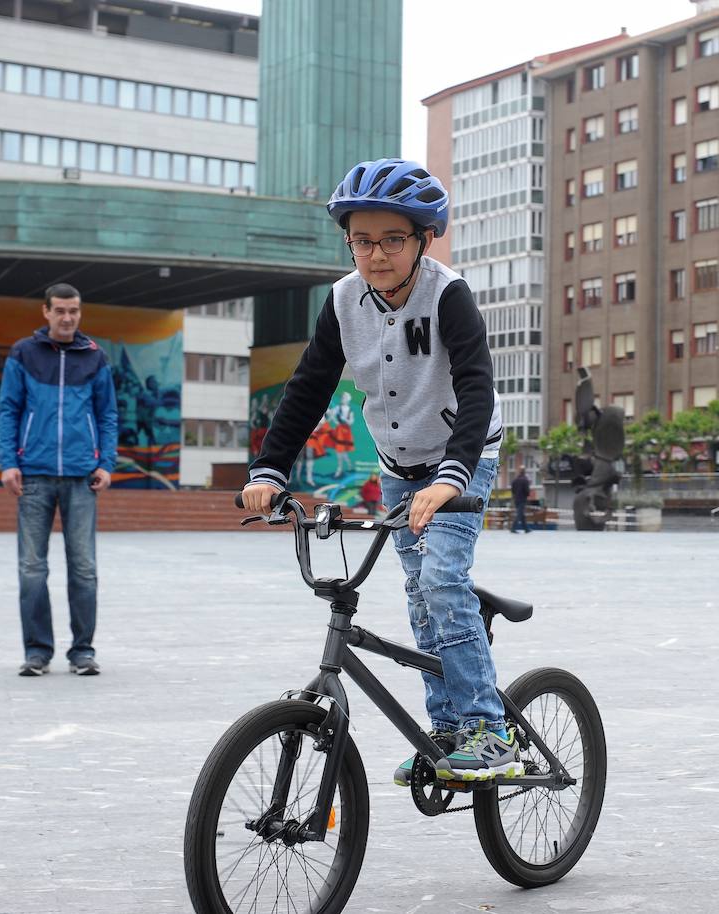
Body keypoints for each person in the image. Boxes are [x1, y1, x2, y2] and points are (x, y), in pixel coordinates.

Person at [240, 158, 516, 784]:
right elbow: (308, 388)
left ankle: (489, 731)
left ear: (423, 239)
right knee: (421, 599)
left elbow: (476, 387)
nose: (376, 254)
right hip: (399, 466)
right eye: (362, 240)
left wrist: (452, 475)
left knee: (443, 580)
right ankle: (447, 729)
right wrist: (270, 471)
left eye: (393, 239)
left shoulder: (448, 294)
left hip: (461, 459)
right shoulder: (341, 302)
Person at [0, 284, 118, 677]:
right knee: (32, 568)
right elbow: (9, 410)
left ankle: (82, 651)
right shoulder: (23, 354)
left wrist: (107, 463)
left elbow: (108, 416)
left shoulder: (94, 356)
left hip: (83, 476)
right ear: (46, 312)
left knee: (84, 568)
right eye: (61, 311)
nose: (68, 318)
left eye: (75, 311)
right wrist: (8, 462)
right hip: (33, 474)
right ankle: (37, 651)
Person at [511, 468, 532, 533]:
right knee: (519, 514)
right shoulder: (525, 480)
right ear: (524, 473)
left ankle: (526, 529)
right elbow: (527, 491)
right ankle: (513, 528)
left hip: (516, 499)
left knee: (521, 514)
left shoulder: (515, 480)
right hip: (522, 499)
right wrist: (527, 494)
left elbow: (512, 490)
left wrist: (515, 495)